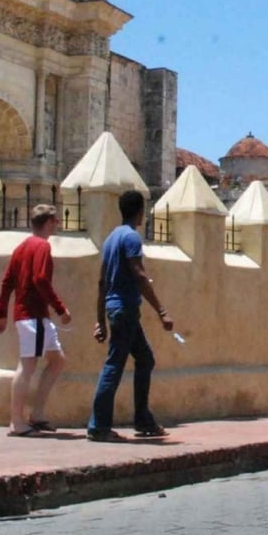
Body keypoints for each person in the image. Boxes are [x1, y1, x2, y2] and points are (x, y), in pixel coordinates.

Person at [87, 189, 173, 441]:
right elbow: (139, 274)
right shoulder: (132, 238)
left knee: (145, 359)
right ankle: (99, 426)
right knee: (114, 364)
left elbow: (102, 282)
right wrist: (162, 311)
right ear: (140, 212)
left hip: (118, 310)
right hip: (125, 309)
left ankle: (143, 420)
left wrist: (100, 320)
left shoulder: (111, 238)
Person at [0, 204, 72, 437]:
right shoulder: (42, 246)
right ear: (48, 223)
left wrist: (1, 314)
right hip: (33, 317)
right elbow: (40, 279)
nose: (57, 225)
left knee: (57, 361)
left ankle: (36, 414)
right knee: (27, 366)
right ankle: (17, 422)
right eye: (55, 221)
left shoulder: (20, 248)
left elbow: (7, 282)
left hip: (33, 317)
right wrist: (61, 309)